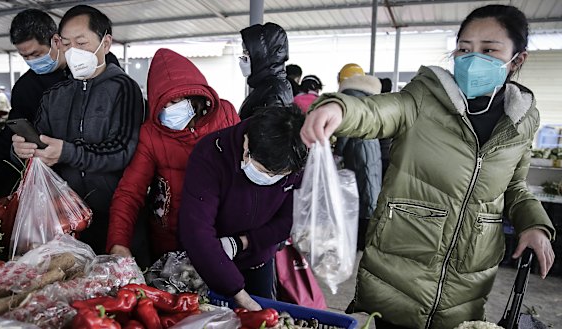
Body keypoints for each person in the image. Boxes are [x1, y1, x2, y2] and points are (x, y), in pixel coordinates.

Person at [300, 5, 555, 329]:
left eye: (489, 49)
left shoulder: (522, 121)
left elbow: (515, 186)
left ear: (517, 59)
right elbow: (378, 112)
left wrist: (535, 225)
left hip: (467, 285)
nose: (472, 57)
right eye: (464, 48)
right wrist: (338, 107)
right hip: (399, 272)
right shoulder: (424, 97)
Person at [12, 5, 144, 254]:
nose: (73, 52)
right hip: (66, 221)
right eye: (66, 44)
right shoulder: (54, 96)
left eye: (81, 43)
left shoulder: (123, 88)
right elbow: (39, 146)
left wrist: (66, 153)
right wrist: (21, 149)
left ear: (105, 43)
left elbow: (122, 150)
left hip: (116, 217)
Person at [0, 8, 120, 210]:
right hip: (56, 191)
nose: (32, 61)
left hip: (102, 180)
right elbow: (7, 140)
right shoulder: (26, 88)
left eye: (36, 54)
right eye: (24, 56)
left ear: (57, 41)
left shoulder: (98, 64)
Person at [107, 48, 240, 259]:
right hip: (171, 240)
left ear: (195, 96)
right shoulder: (151, 134)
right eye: (163, 103)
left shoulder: (225, 114)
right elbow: (130, 192)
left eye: (176, 101)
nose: (169, 109)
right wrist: (118, 241)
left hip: (223, 235)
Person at [178, 106, 307, 310]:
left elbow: (290, 221)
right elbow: (196, 230)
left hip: (259, 257)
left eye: (278, 176)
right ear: (247, 142)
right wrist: (242, 297)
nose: (269, 179)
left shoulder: (298, 158)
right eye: (264, 171)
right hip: (210, 258)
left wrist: (242, 243)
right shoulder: (212, 153)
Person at [333, 70, 382, 251]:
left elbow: (346, 129)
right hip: (370, 146)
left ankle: (360, 240)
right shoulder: (368, 97)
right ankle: (366, 237)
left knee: (362, 192)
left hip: (357, 150)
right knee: (370, 188)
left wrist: (338, 152)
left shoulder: (349, 97)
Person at [238, 22, 293, 120]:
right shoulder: (269, 86)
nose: (242, 58)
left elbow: (268, 132)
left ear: (260, 56)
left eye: (246, 52)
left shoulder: (273, 91)